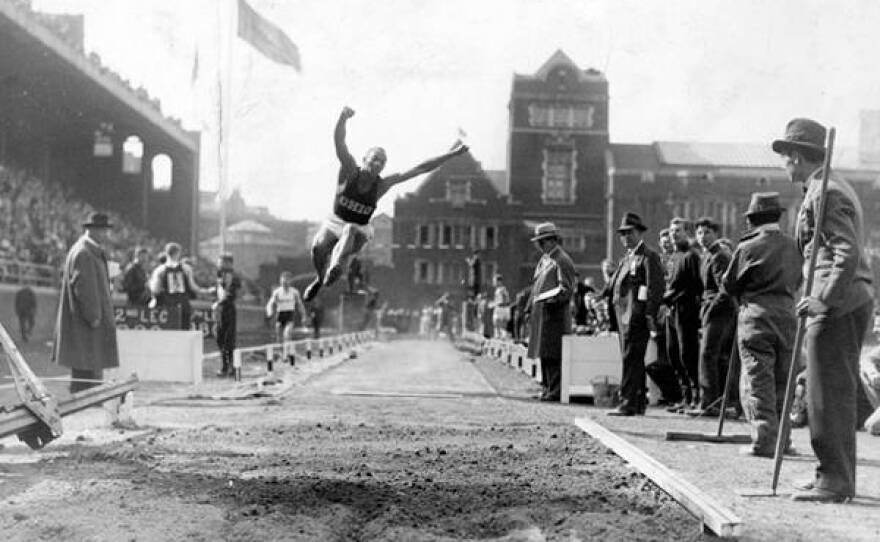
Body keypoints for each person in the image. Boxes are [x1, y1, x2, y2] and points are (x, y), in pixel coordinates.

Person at [774, 118, 874, 502]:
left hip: (838, 303)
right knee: (832, 391)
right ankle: (831, 474)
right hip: (846, 299)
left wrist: (824, 299)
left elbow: (846, 251)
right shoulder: (826, 185)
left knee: (825, 393)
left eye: (785, 156)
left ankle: (833, 481)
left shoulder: (825, 191)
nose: (783, 164)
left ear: (797, 156)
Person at [303, 106, 468, 301]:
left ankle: (335, 267)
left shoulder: (382, 184)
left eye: (382, 163)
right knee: (318, 248)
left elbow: (420, 168)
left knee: (349, 230)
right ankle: (321, 278)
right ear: (364, 159)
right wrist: (342, 118)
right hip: (335, 220)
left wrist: (451, 154)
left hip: (359, 229)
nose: (378, 165)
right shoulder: (349, 170)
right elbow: (339, 142)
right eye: (375, 160)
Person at [721, 193, 803, 457]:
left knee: (758, 382)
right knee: (784, 381)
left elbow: (728, 284)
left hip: (756, 318)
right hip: (788, 317)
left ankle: (765, 441)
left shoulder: (747, 247)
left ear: (753, 220)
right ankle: (784, 441)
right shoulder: (794, 245)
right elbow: (799, 280)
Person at [603, 213, 665, 415]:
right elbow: (613, 284)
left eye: (630, 233)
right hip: (623, 316)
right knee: (631, 358)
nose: (626, 237)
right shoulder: (627, 258)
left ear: (639, 233)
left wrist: (649, 314)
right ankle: (637, 401)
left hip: (636, 316)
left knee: (631, 357)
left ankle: (628, 401)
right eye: (623, 234)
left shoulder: (648, 256)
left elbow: (655, 288)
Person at [52, 212, 119, 393]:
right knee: (87, 368)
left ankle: (84, 400)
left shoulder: (84, 250)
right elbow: (85, 288)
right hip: (87, 322)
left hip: (85, 321)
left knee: (86, 366)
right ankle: (84, 404)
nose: (106, 235)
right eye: (103, 230)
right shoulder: (85, 253)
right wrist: (94, 316)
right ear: (93, 231)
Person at [690, 216, 737, 416]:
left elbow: (724, 290)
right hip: (711, 310)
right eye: (699, 232)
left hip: (719, 312)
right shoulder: (707, 256)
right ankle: (710, 401)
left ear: (716, 234)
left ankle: (710, 403)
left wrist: (709, 311)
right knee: (710, 356)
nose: (702, 236)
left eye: (707, 232)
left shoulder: (720, 256)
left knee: (709, 355)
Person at [526, 222, 576, 402]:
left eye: (543, 242)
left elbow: (567, 289)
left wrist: (551, 301)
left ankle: (555, 390)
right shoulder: (546, 260)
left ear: (553, 240)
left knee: (553, 354)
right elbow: (536, 287)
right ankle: (547, 387)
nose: (540, 246)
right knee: (544, 353)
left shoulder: (561, 260)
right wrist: (529, 307)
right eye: (539, 242)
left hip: (554, 316)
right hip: (542, 314)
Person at [663, 217, 704, 412]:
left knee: (687, 353)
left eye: (678, 231)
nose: (674, 234)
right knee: (673, 353)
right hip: (672, 310)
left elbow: (696, 286)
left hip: (686, 310)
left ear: (687, 232)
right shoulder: (674, 257)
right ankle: (685, 396)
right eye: (672, 231)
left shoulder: (691, 256)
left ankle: (696, 396)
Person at [149, 242, 205, 330]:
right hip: (184, 306)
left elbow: (155, 290)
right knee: (183, 331)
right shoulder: (186, 269)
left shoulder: (159, 270)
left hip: (167, 306)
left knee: (168, 332)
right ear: (178, 253)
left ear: (166, 253)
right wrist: (207, 291)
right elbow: (194, 287)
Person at [213, 254, 242, 377]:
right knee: (220, 337)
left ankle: (230, 367)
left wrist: (218, 303)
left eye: (221, 262)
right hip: (221, 308)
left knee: (228, 339)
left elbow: (229, 294)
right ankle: (225, 366)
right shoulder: (220, 275)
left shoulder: (231, 275)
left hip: (228, 308)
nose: (218, 264)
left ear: (228, 263)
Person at [266, 271, 307, 344]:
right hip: (280, 314)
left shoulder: (294, 292)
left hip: (289, 314)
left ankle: (288, 351)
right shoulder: (277, 292)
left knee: (287, 334)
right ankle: (281, 352)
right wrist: (270, 312)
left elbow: (300, 305)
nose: (284, 284)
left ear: (290, 281)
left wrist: (303, 316)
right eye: (282, 282)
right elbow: (270, 304)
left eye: (286, 282)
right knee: (279, 336)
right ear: (280, 281)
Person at [491, 274, 511, 339]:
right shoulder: (500, 289)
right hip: (502, 308)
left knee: (498, 323)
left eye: (494, 281)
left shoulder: (501, 289)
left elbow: (505, 300)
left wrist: (495, 304)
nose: (493, 282)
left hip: (501, 309)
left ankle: (501, 337)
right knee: (499, 325)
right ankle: (501, 337)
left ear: (499, 281)